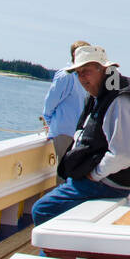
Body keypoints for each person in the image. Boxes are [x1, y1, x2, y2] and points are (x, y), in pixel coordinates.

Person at [33, 45, 130, 226]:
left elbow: (124, 154)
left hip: (110, 183)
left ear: (104, 70)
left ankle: (58, 252)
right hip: (103, 179)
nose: (81, 78)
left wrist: (93, 175)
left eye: (86, 71)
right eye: (78, 73)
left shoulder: (119, 98)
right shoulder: (102, 92)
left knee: (42, 209)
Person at [42, 40, 91, 171]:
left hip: (78, 132)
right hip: (64, 131)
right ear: (75, 55)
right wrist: (50, 123)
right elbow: (50, 102)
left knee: (74, 170)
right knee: (65, 171)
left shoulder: (85, 77)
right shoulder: (66, 76)